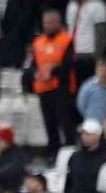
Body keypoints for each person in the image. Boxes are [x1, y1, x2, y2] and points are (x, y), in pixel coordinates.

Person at [25, 10, 74, 154]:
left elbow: (68, 64)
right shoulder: (37, 42)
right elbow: (32, 64)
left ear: (58, 23)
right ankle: (53, 152)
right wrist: (35, 73)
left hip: (61, 87)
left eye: (50, 23)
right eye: (45, 23)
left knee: (65, 122)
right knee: (49, 123)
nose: (47, 26)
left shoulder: (66, 40)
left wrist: (51, 72)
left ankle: (69, 151)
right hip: (42, 88)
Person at [76, 58, 106, 126]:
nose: (103, 73)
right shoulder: (87, 87)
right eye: (101, 70)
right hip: (92, 124)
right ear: (96, 71)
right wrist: (89, 117)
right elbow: (81, 105)